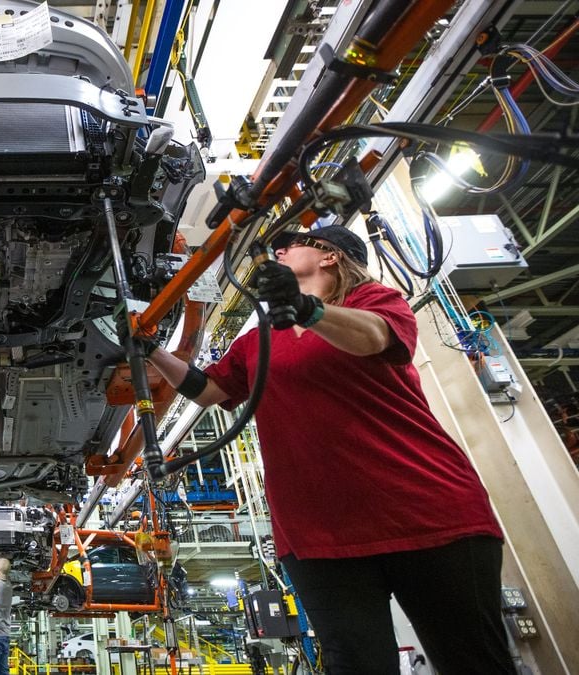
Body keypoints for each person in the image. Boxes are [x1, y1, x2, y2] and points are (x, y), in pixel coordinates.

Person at [145, 225, 515, 674]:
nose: (277, 251)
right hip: (317, 534)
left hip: (425, 512)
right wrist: (150, 349)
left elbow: (376, 338)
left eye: (291, 244)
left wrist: (306, 309)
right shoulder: (256, 340)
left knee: (474, 662)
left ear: (330, 257)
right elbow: (210, 391)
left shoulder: (374, 302)